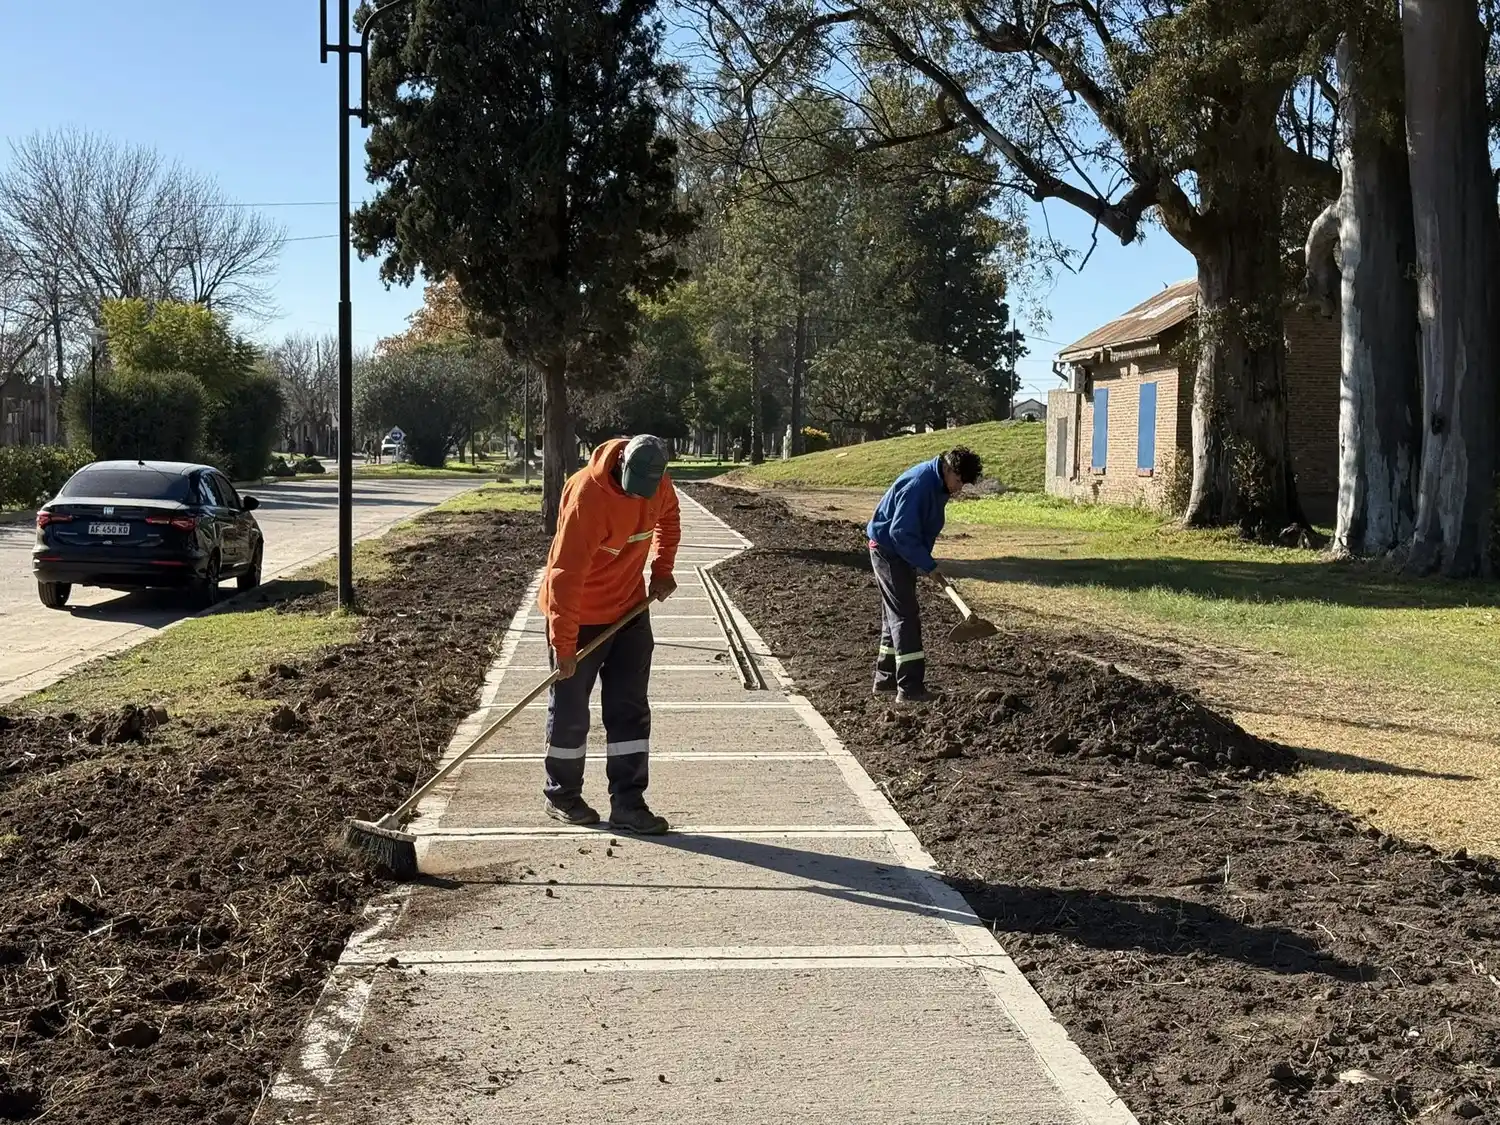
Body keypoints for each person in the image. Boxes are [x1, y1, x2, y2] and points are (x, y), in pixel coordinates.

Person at [537, 434, 680, 834]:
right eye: (634, 492)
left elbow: (669, 518)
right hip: (578, 615)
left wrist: (662, 569)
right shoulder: (589, 495)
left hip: (630, 610)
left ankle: (629, 803)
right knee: (570, 711)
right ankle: (563, 795)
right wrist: (564, 645)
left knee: (629, 708)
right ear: (622, 468)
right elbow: (565, 576)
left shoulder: (657, 478)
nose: (641, 501)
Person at [866, 446, 983, 703]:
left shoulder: (937, 483)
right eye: (959, 481)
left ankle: (885, 680)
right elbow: (899, 533)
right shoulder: (919, 484)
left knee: (894, 616)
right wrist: (927, 564)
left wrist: (923, 561)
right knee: (905, 617)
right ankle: (910, 688)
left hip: (902, 552)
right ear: (949, 469)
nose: (960, 488)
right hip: (889, 551)